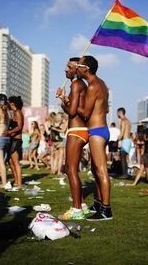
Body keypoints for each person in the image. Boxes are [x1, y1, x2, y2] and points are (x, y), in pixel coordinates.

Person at [76, 55, 113, 221]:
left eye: (79, 65)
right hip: (99, 129)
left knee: (100, 170)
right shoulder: (101, 83)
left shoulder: (93, 86)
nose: (77, 67)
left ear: (86, 69)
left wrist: (68, 100)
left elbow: (84, 112)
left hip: (97, 131)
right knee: (95, 170)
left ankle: (106, 210)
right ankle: (99, 203)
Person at [56, 57, 91, 220]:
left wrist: (62, 102)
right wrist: (64, 98)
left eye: (70, 67)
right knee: (72, 169)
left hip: (76, 130)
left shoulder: (76, 84)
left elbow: (71, 112)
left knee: (70, 169)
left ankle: (76, 210)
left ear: (77, 69)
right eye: (66, 66)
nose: (66, 70)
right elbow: (74, 106)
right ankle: (82, 205)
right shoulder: (79, 85)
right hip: (79, 130)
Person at [3, 96, 23, 188]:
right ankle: (16, 181)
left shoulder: (18, 112)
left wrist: (9, 132)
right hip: (12, 138)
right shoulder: (14, 113)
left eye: (9, 103)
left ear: (12, 103)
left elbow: (19, 127)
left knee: (15, 161)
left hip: (16, 139)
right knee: (10, 161)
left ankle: (19, 183)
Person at [117, 107, 132, 179]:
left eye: (117, 113)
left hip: (125, 140)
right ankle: (125, 173)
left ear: (120, 112)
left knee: (122, 157)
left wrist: (117, 139)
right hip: (129, 140)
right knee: (125, 158)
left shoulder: (123, 121)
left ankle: (124, 174)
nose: (117, 114)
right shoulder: (128, 121)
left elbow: (122, 132)